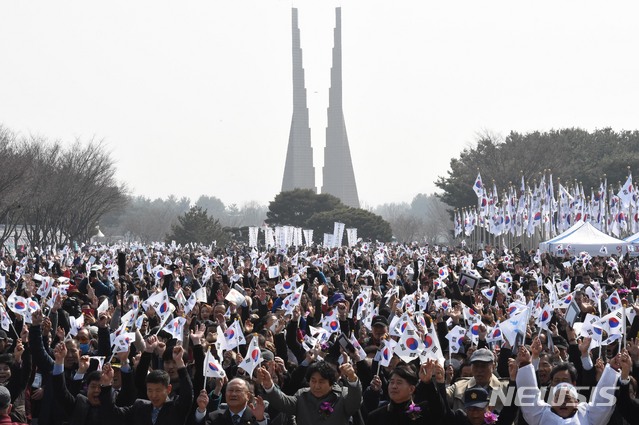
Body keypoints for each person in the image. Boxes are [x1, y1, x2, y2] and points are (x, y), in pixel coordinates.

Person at [515, 345, 619, 425]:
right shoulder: (542, 415)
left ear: (576, 402)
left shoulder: (587, 415)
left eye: (567, 398)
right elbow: (528, 397)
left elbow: (602, 403)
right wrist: (525, 364)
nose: (562, 402)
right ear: (552, 402)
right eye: (558, 399)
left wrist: (612, 369)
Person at [99, 345, 194, 425]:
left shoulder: (176, 408)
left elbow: (187, 395)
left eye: (158, 390)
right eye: (150, 390)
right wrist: (106, 385)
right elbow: (112, 413)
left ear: (168, 389)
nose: (153, 395)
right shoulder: (140, 407)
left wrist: (180, 364)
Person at [257, 360, 362, 425]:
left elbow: (354, 403)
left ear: (331, 383)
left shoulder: (342, 396)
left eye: (321, 382)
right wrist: (269, 386)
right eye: (313, 381)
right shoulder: (302, 395)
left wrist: (352, 379)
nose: (317, 386)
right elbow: (284, 403)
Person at [367, 363, 435, 425]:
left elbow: (438, 411)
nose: (394, 386)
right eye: (392, 382)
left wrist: (428, 382)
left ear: (411, 389)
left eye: (399, 383)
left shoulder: (421, 412)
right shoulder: (376, 417)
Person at [446, 348, 510, 412]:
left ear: (493, 367)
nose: (479, 370)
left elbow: (515, 415)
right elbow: (440, 399)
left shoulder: (507, 388)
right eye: (476, 366)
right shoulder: (458, 386)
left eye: (483, 366)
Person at [193, 378, 267, 425]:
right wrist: (201, 410)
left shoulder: (259, 417)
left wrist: (260, 420)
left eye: (238, 390)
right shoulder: (214, 418)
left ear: (247, 396)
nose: (233, 394)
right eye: (230, 390)